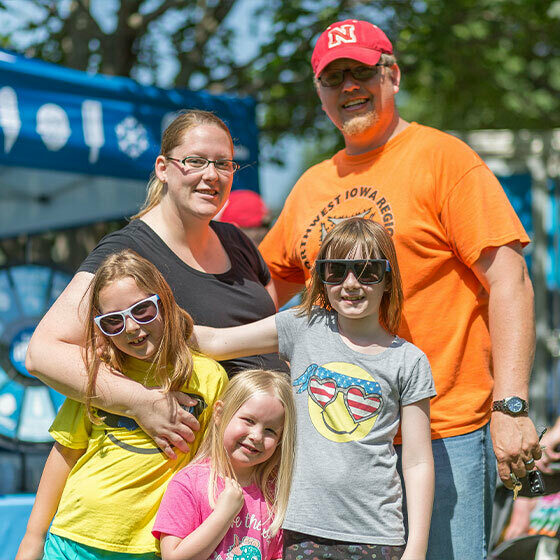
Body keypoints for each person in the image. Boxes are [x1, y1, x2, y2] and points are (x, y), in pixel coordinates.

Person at [257, 18, 541, 560]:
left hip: (443, 434)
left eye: (360, 71)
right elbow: (263, 289)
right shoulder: (312, 185)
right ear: (319, 94)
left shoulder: (443, 159)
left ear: (393, 75)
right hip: (334, 446)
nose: (348, 88)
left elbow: (510, 279)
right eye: (332, 78)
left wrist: (510, 406)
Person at [26, 109, 285, 459]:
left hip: (273, 456)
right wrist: (140, 402)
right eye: (195, 161)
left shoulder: (236, 241)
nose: (212, 175)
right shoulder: (126, 252)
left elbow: (271, 335)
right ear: (163, 168)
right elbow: (42, 352)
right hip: (200, 472)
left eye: (223, 164)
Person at [194, 218, 435, 560]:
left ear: (387, 278)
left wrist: (417, 548)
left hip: (378, 534)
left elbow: (417, 461)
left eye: (366, 271)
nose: (351, 284)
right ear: (322, 278)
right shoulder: (302, 326)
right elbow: (216, 342)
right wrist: (146, 316)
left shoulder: (409, 361)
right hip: (299, 529)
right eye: (336, 271)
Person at [15, 250, 228, 560]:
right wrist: (32, 540)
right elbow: (65, 453)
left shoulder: (208, 378)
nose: (130, 327)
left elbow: (210, 468)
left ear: (164, 303)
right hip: (72, 540)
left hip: (148, 546)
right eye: (113, 321)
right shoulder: (98, 376)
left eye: (142, 310)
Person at [153, 369, 295, 560]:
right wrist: (223, 515)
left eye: (270, 430)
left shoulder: (275, 495)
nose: (256, 436)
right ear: (219, 413)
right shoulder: (189, 483)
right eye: (249, 421)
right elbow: (173, 557)